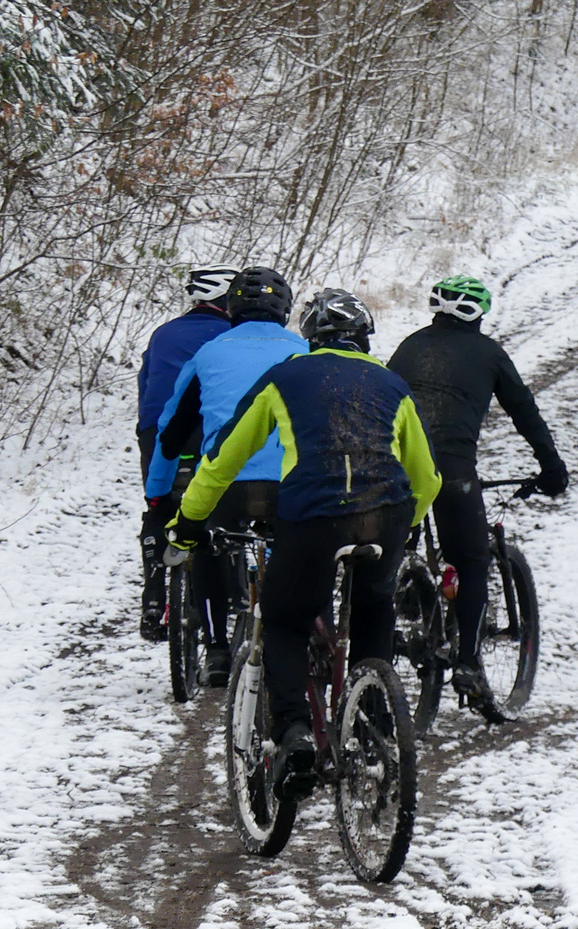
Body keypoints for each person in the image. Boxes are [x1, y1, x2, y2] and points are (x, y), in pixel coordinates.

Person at [169, 289, 441, 800]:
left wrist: (187, 522)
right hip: (386, 514)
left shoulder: (284, 377)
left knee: (285, 619)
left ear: (311, 339)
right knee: (373, 611)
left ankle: (293, 734)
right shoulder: (391, 385)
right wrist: (405, 528)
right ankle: (371, 720)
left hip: (314, 517)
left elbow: (222, 460)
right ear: (363, 340)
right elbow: (426, 479)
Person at [387, 275, 568, 707]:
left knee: (392, 548)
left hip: (392, 465)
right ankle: (467, 663)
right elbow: (524, 412)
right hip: (451, 469)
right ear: (479, 314)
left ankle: (402, 606)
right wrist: (551, 468)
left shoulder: (409, 346)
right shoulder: (489, 353)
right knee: (470, 561)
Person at [142, 266, 304, 683]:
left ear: (231, 307)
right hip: (293, 484)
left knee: (205, 544)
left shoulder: (209, 354)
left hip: (225, 482)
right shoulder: (306, 351)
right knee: (302, 552)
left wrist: (158, 493)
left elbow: (171, 432)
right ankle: (298, 639)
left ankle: (214, 652)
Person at [134, 264, 238, 640]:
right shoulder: (233, 334)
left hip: (158, 432)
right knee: (217, 512)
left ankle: (153, 597)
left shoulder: (162, 334)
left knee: (159, 508)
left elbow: (146, 386)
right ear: (226, 299)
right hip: (210, 432)